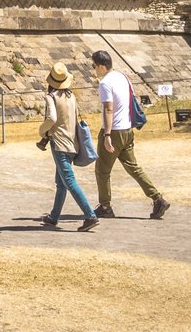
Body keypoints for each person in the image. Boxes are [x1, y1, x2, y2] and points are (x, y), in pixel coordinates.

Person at [92, 50, 170, 220]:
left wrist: (106, 135)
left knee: (102, 170)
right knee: (133, 167)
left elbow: (108, 108)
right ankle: (157, 198)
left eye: (94, 66)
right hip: (128, 129)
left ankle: (105, 206)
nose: (94, 70)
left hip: (114, 131)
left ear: (100, 66)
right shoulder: (123, 77)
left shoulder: (105, 83)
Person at [37, 62, 98, 231]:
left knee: (69, 181)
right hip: (72, 143)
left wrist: (42, 132)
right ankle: (54, 216)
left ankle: (90, 215)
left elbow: (51, 119)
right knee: (61, 182)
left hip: (60, 144)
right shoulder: (72, 96)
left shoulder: (51, 97)